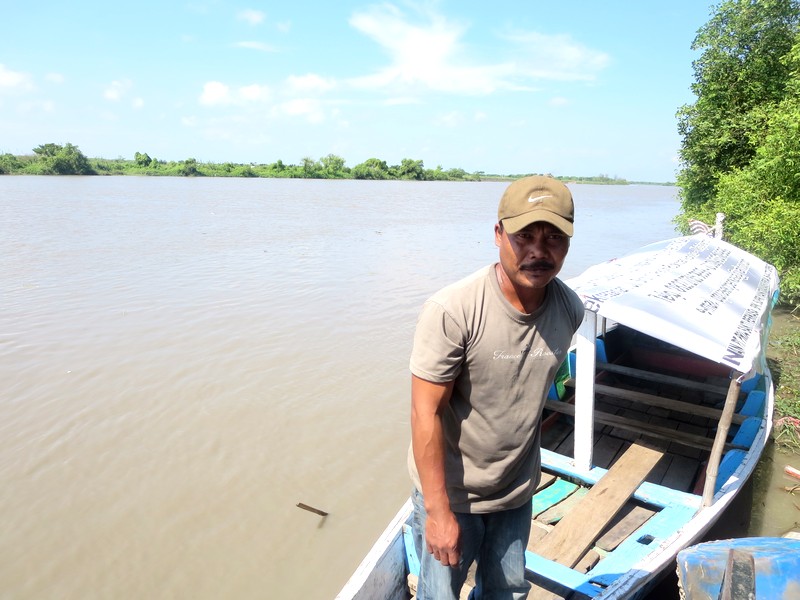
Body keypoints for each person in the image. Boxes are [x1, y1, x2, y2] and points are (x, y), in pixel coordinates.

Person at [408, 175, 585, 599]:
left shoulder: (569, 308)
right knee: (440, 595)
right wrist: (438, 513)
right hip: (454, 496)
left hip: (516, 491)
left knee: (506, 592)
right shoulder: (453, 311)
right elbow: (425, 412)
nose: (539, 251)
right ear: (498, 234)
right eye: (525, 235)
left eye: (554, 237)